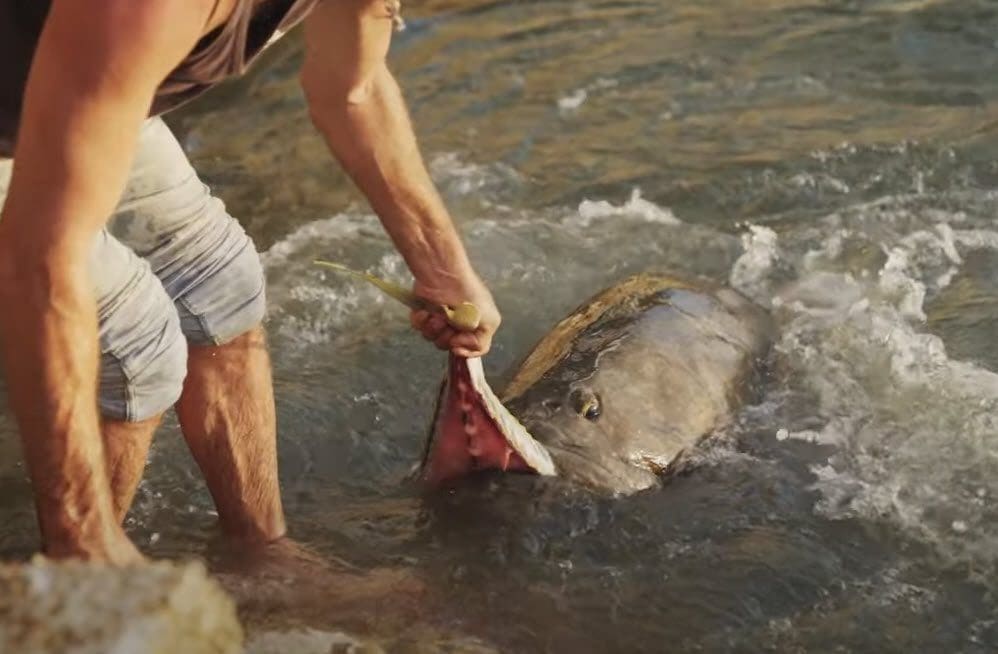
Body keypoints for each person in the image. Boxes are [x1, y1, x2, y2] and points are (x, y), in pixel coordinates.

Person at [0, 0, 501, 565]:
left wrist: (443, 268)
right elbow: (39, 261)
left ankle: (260, 555)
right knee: (136, 345)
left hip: (65, 78)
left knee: (218, 283)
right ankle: (74, 589)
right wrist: (81, 538)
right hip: (65, 80)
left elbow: (353, 90)